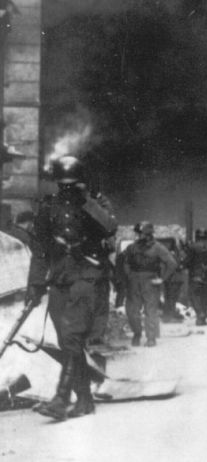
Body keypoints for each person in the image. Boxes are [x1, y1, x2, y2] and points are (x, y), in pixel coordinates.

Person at [25, 156, 118, 420]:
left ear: (81, 181)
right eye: (63, 184)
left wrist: (86, 200)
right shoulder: (48, 207)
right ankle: (85, 400)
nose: (67, 188)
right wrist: (35, 284)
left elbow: (109, 227)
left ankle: (61, 398)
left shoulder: (95, 203)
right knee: (67, 342)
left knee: (71, 337)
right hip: (60, 279)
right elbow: (40, 250)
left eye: (72, 183)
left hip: (88, 277)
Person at [122, 220, 178, 346]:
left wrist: (162, 279)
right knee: (132, 311)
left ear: (147, 234)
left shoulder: (158, 247)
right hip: (134, 281)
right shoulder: (132, 247)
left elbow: (172, 263)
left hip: (150, 281)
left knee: (150, 310)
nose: (137, 236)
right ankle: (137, 333)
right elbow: (126, 262)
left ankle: (151, 338)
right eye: (137, 234)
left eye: (140, 233)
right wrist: (129, 275)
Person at [185, 228, 207, 326]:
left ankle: (199, 313)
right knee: (204, 296)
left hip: (195, 274)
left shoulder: (192, 247)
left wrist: (183, 265)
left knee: (193, 295)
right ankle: (203, 317)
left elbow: (188, 261)